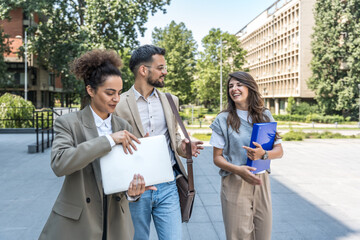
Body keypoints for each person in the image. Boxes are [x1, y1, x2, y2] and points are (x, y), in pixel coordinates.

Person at [39, 49, 155, 240]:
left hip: (116, 224)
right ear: (90, 90)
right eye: (110, 93)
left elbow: (125, 175)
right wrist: (108, 140)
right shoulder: (69, 123)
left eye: (119, 92)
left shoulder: (124, 126)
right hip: (78, 223)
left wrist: (134, 193)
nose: (116, 99)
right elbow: (59, 164)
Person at [115, 44, 203, 240]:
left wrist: (184, 147)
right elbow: (112, 144)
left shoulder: (171, 100)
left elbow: (175, 137)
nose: (166, 71)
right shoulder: (118, 104)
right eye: (161, 67)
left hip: (168, 183)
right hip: (136, 185)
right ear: (143, 70)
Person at [209, 71, 283, 240]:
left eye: (239, 84)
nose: (234, 89)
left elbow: (279, 151)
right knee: (239, 236)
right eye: (230, 86)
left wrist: (263, 154)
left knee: (263, 235)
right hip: (235, 182)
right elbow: (217, 158)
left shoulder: (265, 115)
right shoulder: (223, 119)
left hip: (261, 181)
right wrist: (238, 170)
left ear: (250, 88)